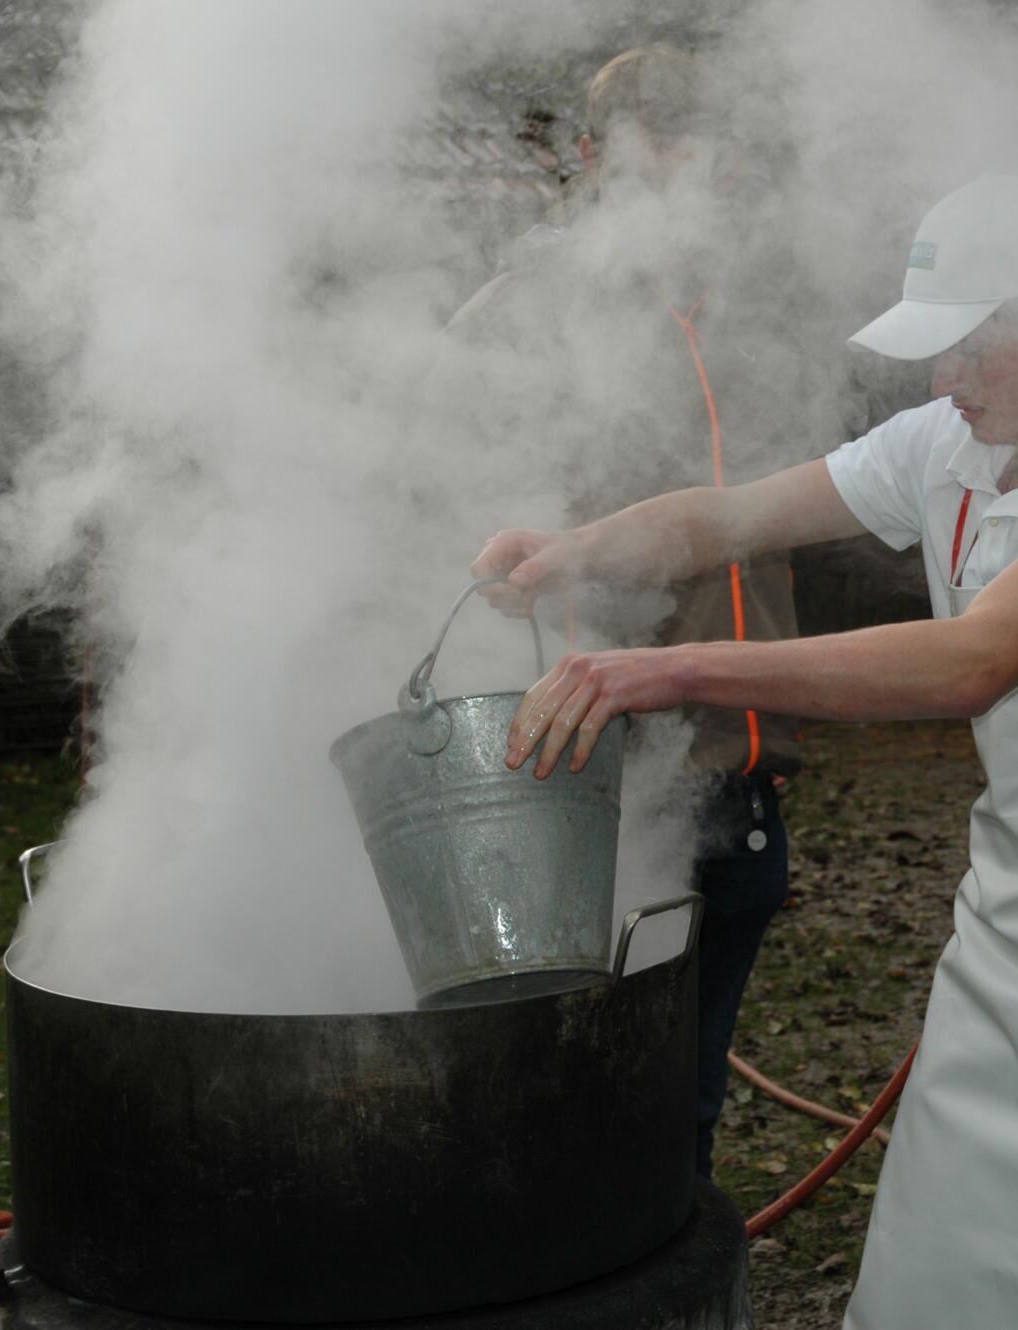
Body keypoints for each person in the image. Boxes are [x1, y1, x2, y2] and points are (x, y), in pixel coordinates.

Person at [472, 174, 1018, 1329]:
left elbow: (972, 659)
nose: (943, 380)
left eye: (972, 348)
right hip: (1012, 932)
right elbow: (727, 518)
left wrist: (671, 669)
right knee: (948, 1280)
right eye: (937, 353)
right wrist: (568, 552)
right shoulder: (946, 445)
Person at [446, 46, 809, 1177]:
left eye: (712, 142)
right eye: (665, 141)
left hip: (740, 765)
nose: (697, 168)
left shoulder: (758, 311)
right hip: (594, 771)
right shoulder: (519, 318)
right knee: (576, 1092)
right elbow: (438, 516)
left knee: (686, 1099)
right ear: (596, 158)